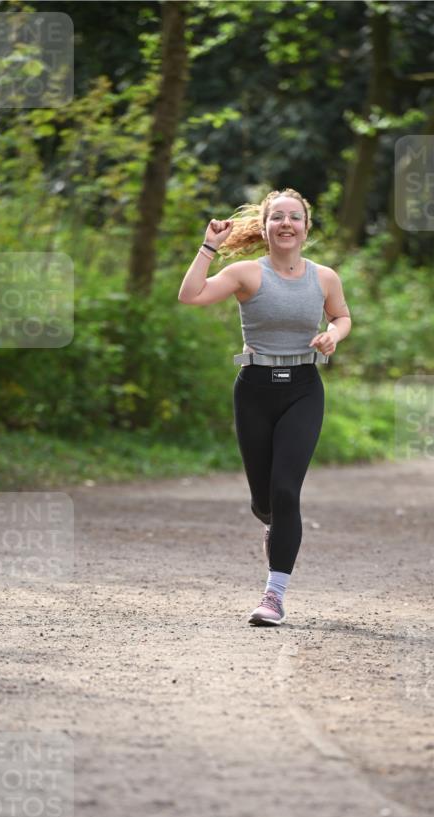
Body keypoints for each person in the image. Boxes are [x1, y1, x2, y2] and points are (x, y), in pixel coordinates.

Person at [178, 187, 351, 625]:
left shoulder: (325, 278)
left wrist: (333, 334)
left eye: (295, 217)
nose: (286, 223)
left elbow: (342, 315)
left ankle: (274, 596)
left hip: (304, 389)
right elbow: (191, 295)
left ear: (306, 228)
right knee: (264, 501)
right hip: (254, 389)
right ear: (265, 227)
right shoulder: (246, 274)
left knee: (287, 490)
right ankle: (271, 521)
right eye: (277, 217)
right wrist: (208, 246)